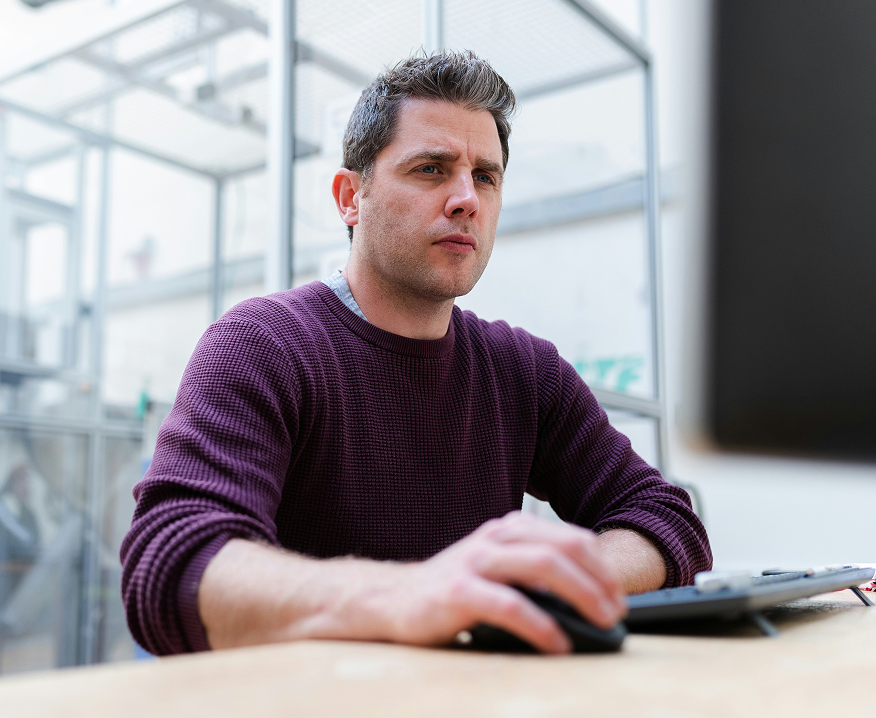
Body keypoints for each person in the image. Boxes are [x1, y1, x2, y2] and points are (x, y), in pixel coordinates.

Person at [121, 52, 711, 657]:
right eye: (431, 169)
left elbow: (665, 517)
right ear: (350, 197)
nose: (466, 200)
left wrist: (546, 582)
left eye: (485, 176)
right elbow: (171, 566)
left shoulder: (524, 371)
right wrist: (411, 594)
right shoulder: (263, 345)